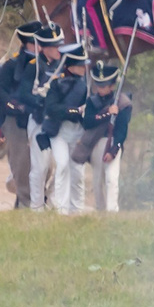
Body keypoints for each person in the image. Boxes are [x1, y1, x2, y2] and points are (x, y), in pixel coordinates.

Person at [0, 20, 49, 208]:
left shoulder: (49, 64)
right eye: (37, 42)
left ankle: (37, 201)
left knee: (45, 164)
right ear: (27, 43)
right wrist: (13, 106)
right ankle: (26, 203)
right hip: (16, 120)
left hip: (42, 119)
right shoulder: (11, 65)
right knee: (22, 165)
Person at [67, 56, 131, 214]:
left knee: (111, 178)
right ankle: (101, 210)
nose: (100, 89)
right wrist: (107, 114)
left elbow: (122, 130)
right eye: (98, 85)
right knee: (97, 181)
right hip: (96, 144)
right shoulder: (92, 102)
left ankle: (112, 210)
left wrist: (114, 150)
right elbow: (88, 122)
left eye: (104, 86)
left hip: (113, 142)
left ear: (112, 86)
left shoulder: (123, 103)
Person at [35, 43, 92, 214]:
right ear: (73, 66)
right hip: (59, 132)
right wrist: (75, 111)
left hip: (77, 132)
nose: (84, 68)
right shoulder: (57, 83)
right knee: (62, 165)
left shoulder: (87, 84)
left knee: (78, 171)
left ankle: (77, 209)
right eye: (81, 65)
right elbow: (51, 108)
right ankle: (61, 208)